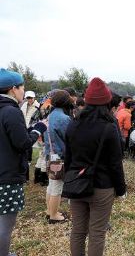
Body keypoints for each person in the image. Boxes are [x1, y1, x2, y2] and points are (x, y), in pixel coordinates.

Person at [65, 77, 126, 256]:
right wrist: (121, 189)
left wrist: (69, 179)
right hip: (102, 186)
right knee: (97, 232)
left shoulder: (73, 124)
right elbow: (116, 163)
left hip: (76, 183)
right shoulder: (108, 127)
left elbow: (68, 157)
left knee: (78, 230)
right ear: (107, 102)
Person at [0, 68, 47, 256]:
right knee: (5, 223)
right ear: (13, 89)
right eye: (22, 88)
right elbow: (23, 143)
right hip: (7, 176)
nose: (23, 92)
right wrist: (38, 129)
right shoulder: (11, 111)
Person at [44, 90, 73, 224]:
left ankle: (49, 211)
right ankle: (54, 215)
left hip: (50, 155)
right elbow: (70, 138)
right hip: (59, 157)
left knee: (51, 184)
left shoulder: (50, 116)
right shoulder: (64, 118)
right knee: (57, 187)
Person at [21, 91, 41, 181]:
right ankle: (26, 174)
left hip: (32, 129)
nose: (29, 99)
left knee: (29, 147)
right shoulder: (24, 105)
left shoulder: (38, 106)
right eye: (28, 98)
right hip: (23, 128)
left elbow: (39, 119)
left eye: (31, 98)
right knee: (26, 148)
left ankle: (29, 164)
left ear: (34, 97)